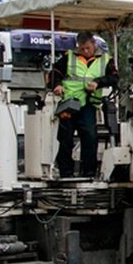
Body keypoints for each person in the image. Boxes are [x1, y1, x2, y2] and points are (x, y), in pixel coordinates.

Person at [47, 30, 118, 178]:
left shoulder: (105, 59)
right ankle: (66, 173)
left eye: (88, 48)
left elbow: (114, 78)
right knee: (65, 138)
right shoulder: (69, 57)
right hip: (68, 103)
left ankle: (89, 173)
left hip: (88, 104)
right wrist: (57, 85)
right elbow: (54, 73)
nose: (85, 51)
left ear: (94, 44)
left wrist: (98, 82)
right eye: (82, 48)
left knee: (90, 137)